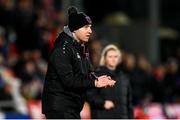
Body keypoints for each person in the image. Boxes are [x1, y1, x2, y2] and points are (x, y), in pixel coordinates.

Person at [41, 6, 116, 119]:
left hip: (71, 108)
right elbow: (68, 80)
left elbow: (88, 73)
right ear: (75, 29)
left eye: (90, 27)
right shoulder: (63, 49)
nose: (90, 31)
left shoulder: (81, 48)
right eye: (86, 27)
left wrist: (99, 79)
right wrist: (94, 82)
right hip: (60, 108)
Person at [86, 44, 134, 119]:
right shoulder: (97, 75)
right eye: (110, 56)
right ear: (105, 58)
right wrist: (102, 103)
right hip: (102, 115)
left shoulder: (124, 77)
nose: (113, 59)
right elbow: (89, 95)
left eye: (116, 56)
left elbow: (129, 103)